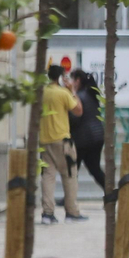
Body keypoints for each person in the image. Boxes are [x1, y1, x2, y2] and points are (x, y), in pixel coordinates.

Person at [38, 64, 86, 224]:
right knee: (70, 175)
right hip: (62, 141)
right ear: (60, 77)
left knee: (48, 176)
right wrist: (72, 90)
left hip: (45, 140)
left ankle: (47, 213)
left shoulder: (41, 93)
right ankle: (72, 212)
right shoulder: (63, 93)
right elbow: (78, 110)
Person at [68, 69, 105, 190]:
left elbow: (75, 118)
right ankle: (110, 191)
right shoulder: (91, 94)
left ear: (77, 81)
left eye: (72, 79)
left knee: (73, 170)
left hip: (84, 140)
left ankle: (69, 199)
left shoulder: (79, 97)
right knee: (94, 169)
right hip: (97, 137)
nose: (70, 82)